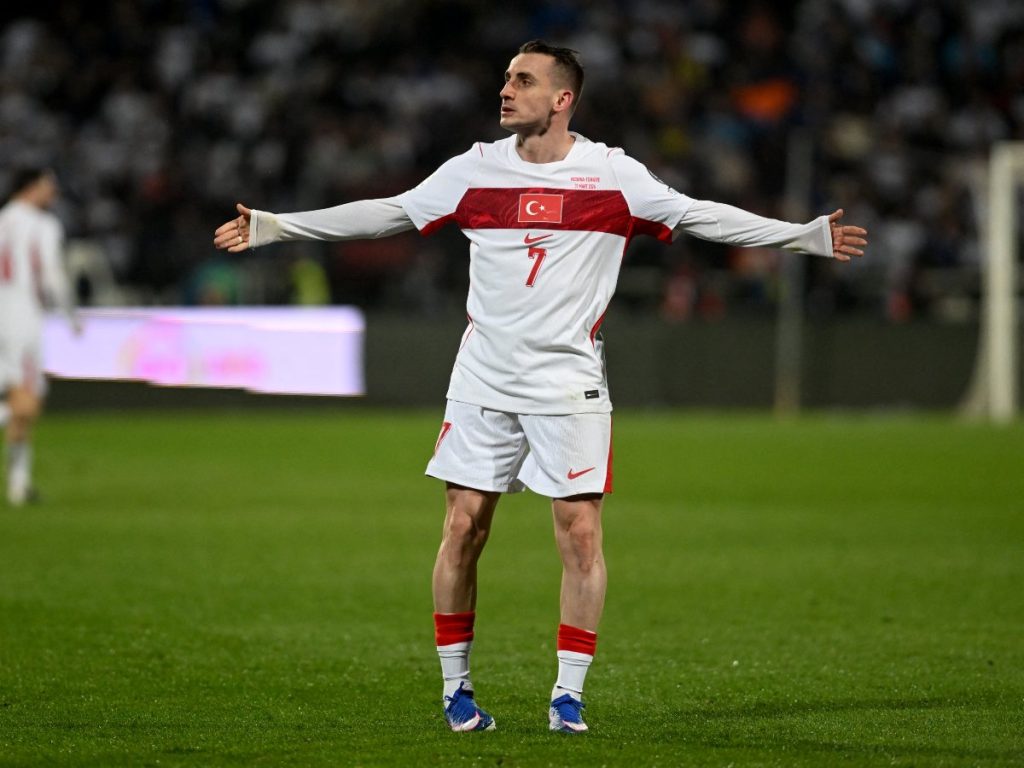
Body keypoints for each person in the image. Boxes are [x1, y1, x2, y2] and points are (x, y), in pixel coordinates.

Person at [214, 40, 868, 734]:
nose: (505, 90)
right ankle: (456, 690)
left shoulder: (613, 176)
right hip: (483, 381)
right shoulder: (473, 169)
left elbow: (701, 214)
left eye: (522, 81)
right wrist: (278, 227)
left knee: (580, 534)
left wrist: (803, 237)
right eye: (504, 78)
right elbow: (392, 210)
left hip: (568, 385)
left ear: (562, 99)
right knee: (463, 527)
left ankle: (568, 696)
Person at [0, 167, 80, 506]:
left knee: (15, 399)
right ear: (31, 187)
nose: (54, 193)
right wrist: (71, 315)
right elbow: (51, 275)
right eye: (50, 186)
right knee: (26, 403)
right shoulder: (43, 225)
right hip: (23, 319)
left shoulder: (3, 219)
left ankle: (19, 486)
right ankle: (18, 484)